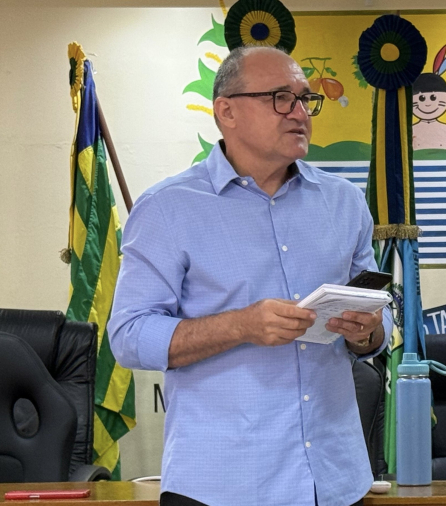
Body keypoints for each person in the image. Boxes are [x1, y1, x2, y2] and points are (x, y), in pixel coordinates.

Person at [108, 46, 391, 506]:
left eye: (305, 99)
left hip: (334, 481)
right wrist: (241, 325)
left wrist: (368, 331)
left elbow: (377, 317)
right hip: (221, 485)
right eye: (281, 98)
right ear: (227, 112)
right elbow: (129, 335)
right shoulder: (167, 209)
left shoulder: (344, 201)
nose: (300, 113)